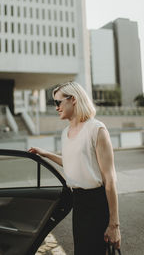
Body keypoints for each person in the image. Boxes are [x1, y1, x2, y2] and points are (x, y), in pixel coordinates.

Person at [29, 81, 121, 255]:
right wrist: (45, 154)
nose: (56, 107)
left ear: (73, 100)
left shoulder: (96, 129)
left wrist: (114, 224)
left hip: (96, 203)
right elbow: (74, 164)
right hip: (78, 203)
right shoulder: (66, 133)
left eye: (58, 102)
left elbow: (109, 180)